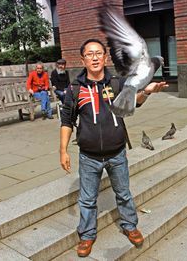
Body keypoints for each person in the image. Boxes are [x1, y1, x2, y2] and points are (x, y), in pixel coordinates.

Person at [59, 38, 168, 257]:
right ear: (83, 60)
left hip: (117, 152)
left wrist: (147, 91)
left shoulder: (117, 83)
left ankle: (130, 225)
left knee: (123, 193)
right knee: (87, 199)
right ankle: (87, 236)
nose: (95, 57)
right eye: (90, 54)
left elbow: (133, 102)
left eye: (98, 53)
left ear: (105, 57)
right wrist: (63, 150)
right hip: (89, 156)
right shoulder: (74, 89)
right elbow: (67, 121)